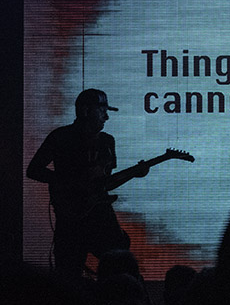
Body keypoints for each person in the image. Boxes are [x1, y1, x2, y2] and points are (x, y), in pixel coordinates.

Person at [27, 89, 147, 278]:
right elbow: (33, 170)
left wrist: (134, 174)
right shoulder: (60, 137)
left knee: (121, 263)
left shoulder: (107, 141)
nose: (106, 117)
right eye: (102, 110)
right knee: (68, 273)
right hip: (71, 219)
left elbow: (104, 184)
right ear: (85, 111)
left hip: (99, 214)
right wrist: (71, 183)